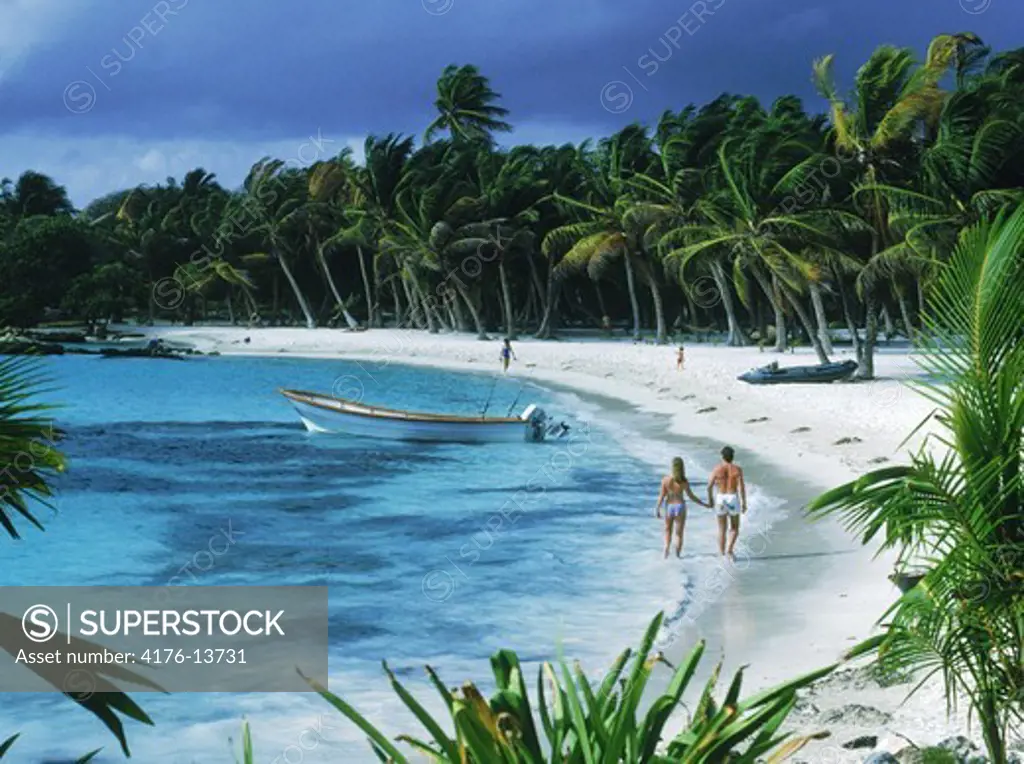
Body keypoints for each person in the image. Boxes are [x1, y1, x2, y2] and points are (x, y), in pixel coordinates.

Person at [654, 457, 709, 559]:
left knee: (667, 530)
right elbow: (691, 496)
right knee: (679, 534)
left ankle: (666, 549)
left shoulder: (665, 480)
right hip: (680, 507)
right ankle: (678, 556)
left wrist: (657, 508)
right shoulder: (684, 482)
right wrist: (704, 504)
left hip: (669, 506)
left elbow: (661, 496)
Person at [707, 446, 747, 559]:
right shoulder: (737, 469)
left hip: (720, 498)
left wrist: (710, 500)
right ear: (732, 457)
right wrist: (744, 503)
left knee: (721, 529)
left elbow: (709, 486)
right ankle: (729, 550)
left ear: (722, 456)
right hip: (732, 497)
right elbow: (742, 488)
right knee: (734, 527)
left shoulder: (717, 469)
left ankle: (721, 553)